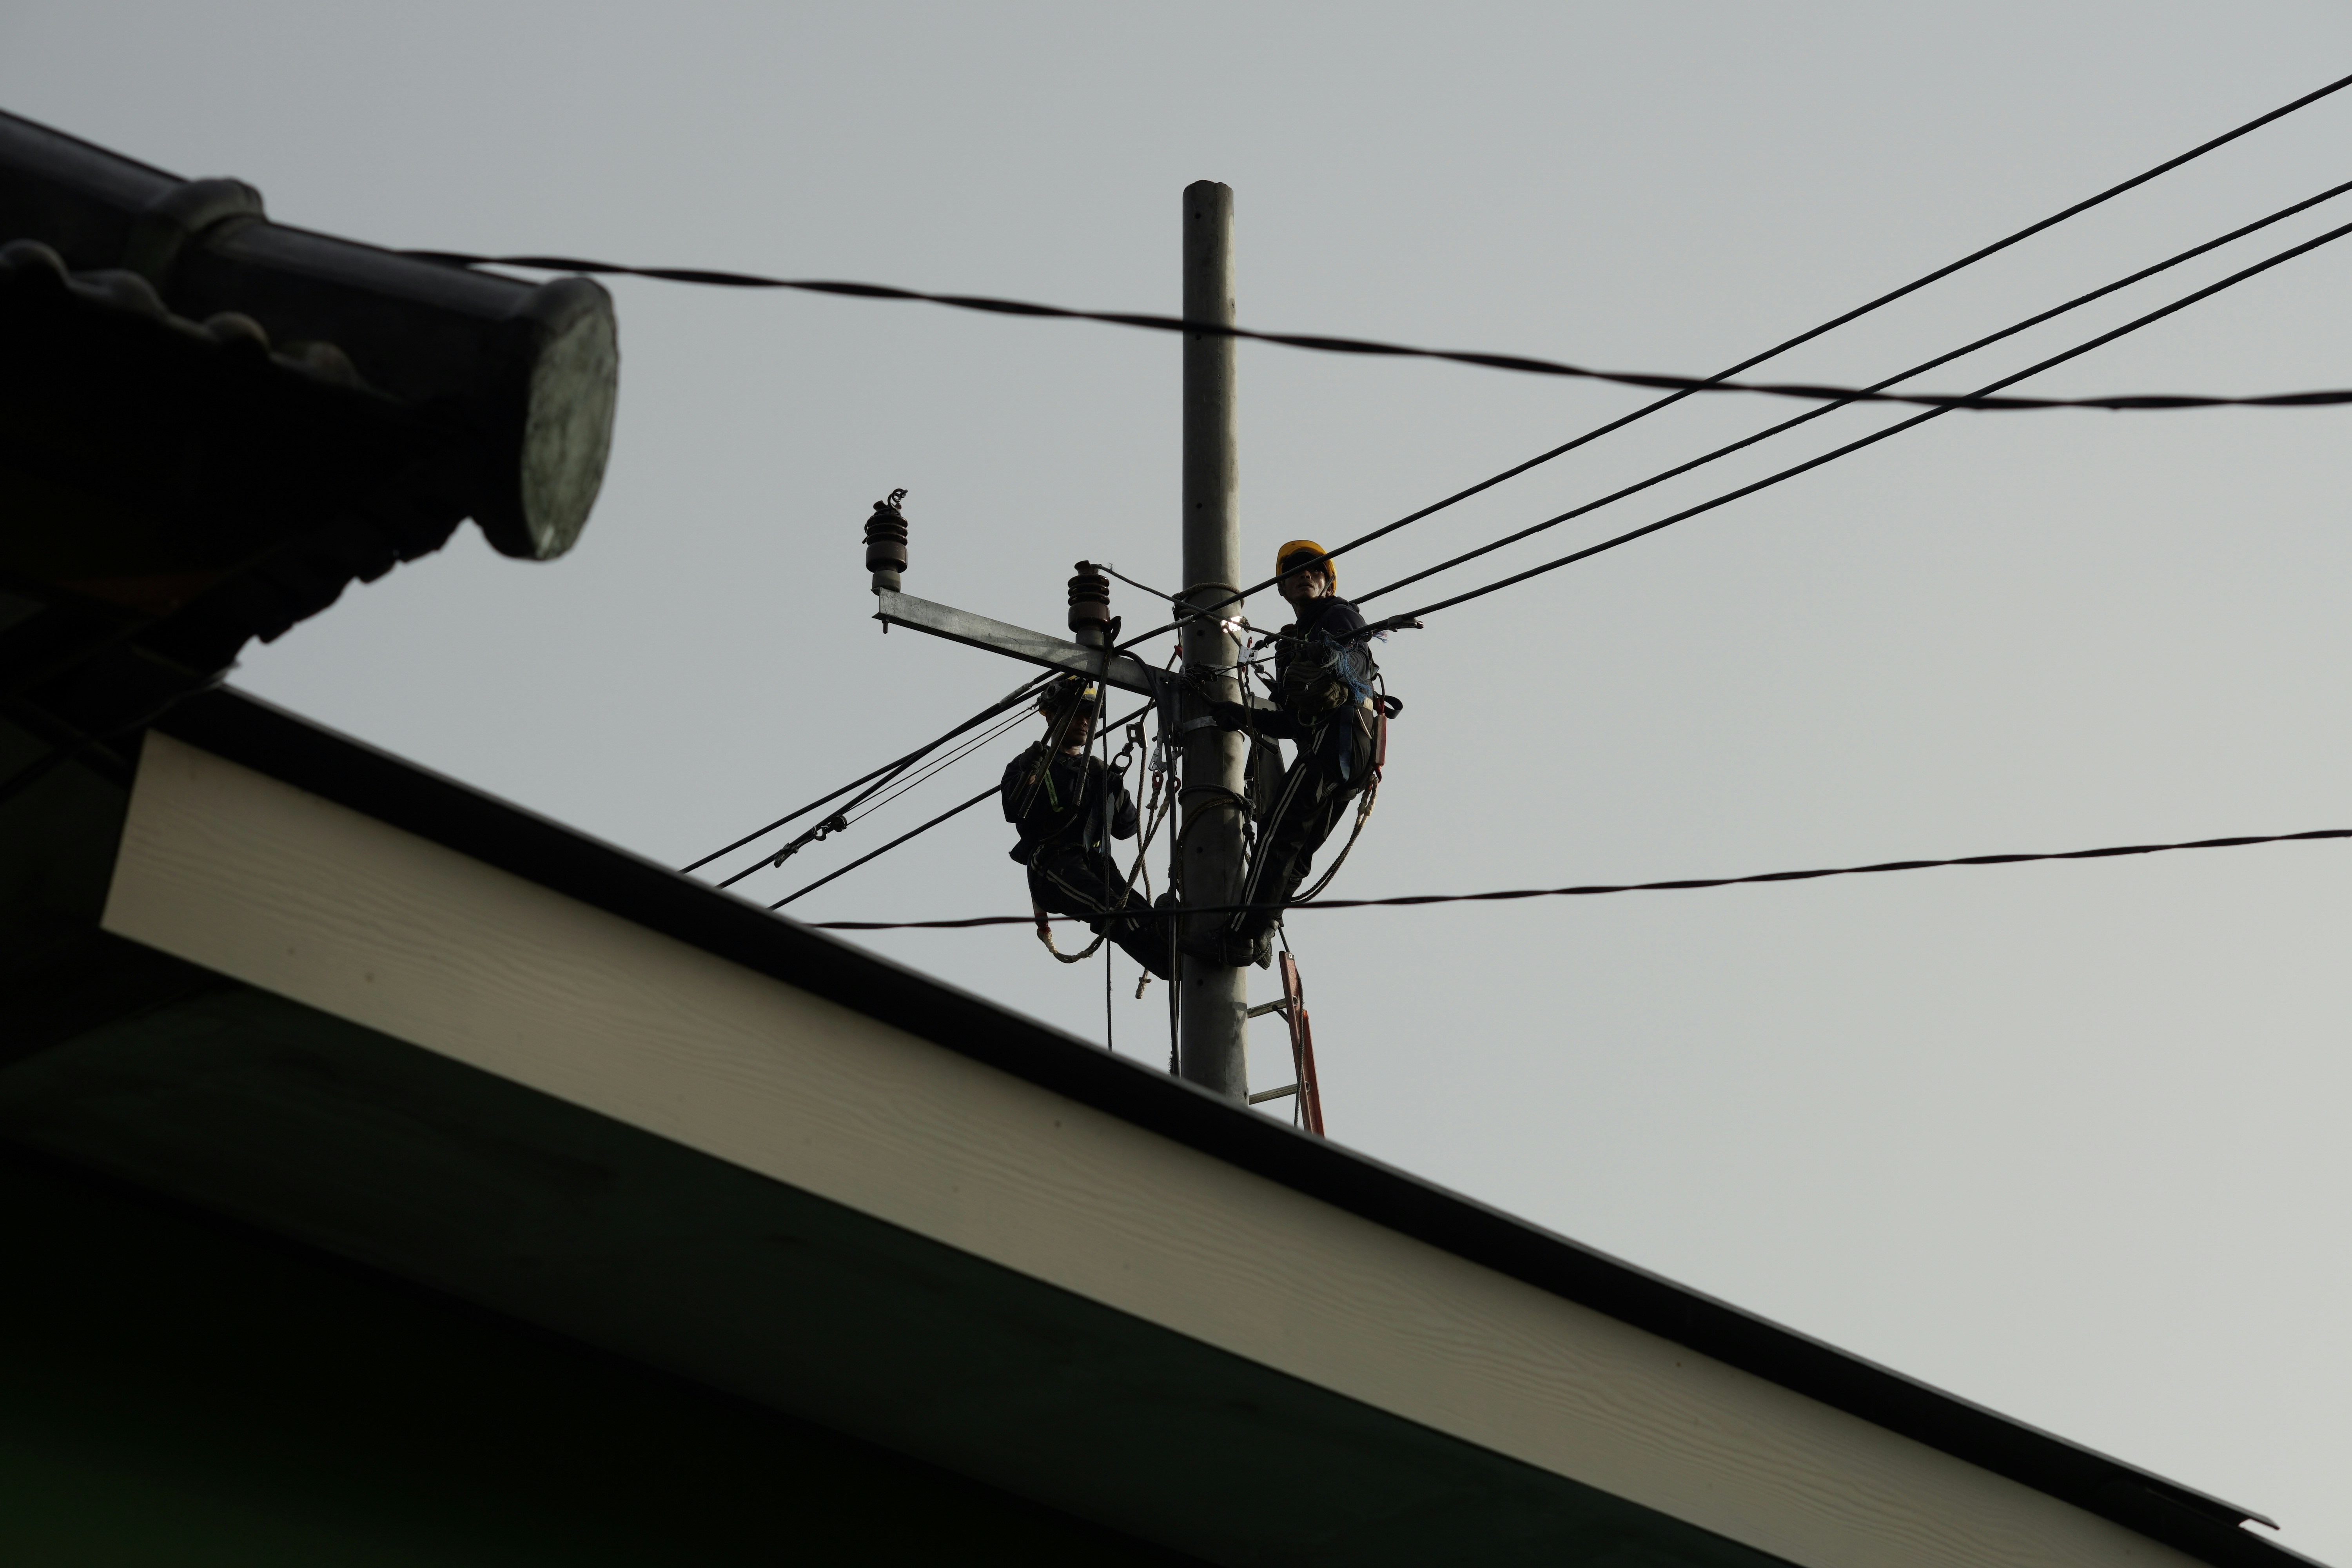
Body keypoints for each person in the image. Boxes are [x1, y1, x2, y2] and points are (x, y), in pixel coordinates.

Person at [1195, 539, 1387, 966]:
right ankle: (1261, 932)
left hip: (1338, 741)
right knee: (1295, 851)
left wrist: (1331, 658)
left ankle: (1240, 937)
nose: (1305, 575)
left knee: (1278, 835)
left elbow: (1358, 659)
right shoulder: (1290, 643)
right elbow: (1289, 721)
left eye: (1315, 570)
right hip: (1351, 755)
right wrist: (1242, 716)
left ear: (1328, 582)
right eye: (1295, 571)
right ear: (1282, 588)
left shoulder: (1337, 615)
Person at [1001, 674, 1172, 980]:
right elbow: (1014, 811)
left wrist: (1116, 788)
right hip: (1052, 864)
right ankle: (1169, 960)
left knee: (1136, 907)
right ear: (1051, 716)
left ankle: (1177, 952)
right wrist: (1031, 770)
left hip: (1096, 860)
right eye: (1077, 713)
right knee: (1109, 906)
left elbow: (1126, 828)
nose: (1084, 722)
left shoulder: (1097, 770)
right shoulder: (1031, 765)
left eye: (1089, 715)